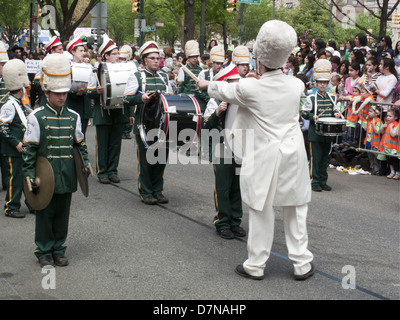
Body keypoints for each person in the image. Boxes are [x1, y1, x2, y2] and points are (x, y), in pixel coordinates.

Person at [198, 20, 314, 281]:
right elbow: (272, 86)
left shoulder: (250, 87)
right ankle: (302, 263)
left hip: (265, 157)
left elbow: (224, 90)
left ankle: (256, 265)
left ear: (259, 59)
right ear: (284, 58)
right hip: (294, 154)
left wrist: (207, 85)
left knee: (261, 211)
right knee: (296, 209)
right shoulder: (297, 85)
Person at [23, 53, 91, 267]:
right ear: (46, 91)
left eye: (64, 93)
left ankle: (59, 249)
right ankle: (43, 250)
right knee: (45, 215)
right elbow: (29, 152)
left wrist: (86, 163)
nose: (62, 97)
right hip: (45, 177)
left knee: (62, 215)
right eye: (57, 93)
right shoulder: (37, 117)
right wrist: (29, 177)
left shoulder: (74, 116)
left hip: (67, 174)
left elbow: (80, 144)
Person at [123, 41, 171, 205]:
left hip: (162, 126)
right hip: (144, 125)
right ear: (144, 60)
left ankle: (158, 190)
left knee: (161, 159)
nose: (156, 61)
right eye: (152, 58)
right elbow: (126, 98)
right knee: (146, 161)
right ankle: (146, 191)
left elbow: (169, 98)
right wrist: (140, 98)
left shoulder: (164, 77)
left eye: (158, 58)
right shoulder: (136, 76)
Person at [202, 64, 245, 239]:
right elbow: (206, 125)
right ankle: (222, 222)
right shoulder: (215, 101)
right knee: (223, 187)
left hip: (240, 147)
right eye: (233, 82)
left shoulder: (242, 100)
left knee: (237, 186)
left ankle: (235, 221)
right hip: (221, 148)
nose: (236, 86)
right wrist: (217, 113)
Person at [86, 34, 134, 184]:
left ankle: (113, 170)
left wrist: (130, 113)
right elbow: (89, 92)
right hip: (103, 112)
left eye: (117, 53)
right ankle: (102, 172)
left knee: (115, 144)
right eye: (114, 54)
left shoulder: (124, 69)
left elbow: (129, 92)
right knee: (103, 143)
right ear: (106, 56)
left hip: (119, 111)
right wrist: (97, 92)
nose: (117, 56)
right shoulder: (96, 71)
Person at [302, 59, 341, 192]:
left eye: (325, 82)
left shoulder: (332, 98)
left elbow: (334, 109)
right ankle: (314, 181)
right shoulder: (311, 98)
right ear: (316, 83)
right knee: (316, 159)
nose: (323, 85)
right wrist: (312, 116)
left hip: (327, 135)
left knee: (325, 159)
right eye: (320, 82)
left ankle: (323, 181)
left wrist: (336, 113)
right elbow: (304, 112)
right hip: (315, 133)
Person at [0, 59, 31, 218]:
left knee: (26, 177)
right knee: (15, 179)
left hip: (21, 148)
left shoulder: (18, 103)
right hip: (13, 150)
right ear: (20, 88)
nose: (26, 89)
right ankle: (11, 207)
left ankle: (31, 203)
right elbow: (3, 128)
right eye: (24, 87)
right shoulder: (9, 105)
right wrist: (16, 143)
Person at [65, 37, 91, 135]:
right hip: (72, 105)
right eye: (80, 50)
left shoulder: (88, 66)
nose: (83, 53)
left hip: (84, 108)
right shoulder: (67, 67)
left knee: (82, 137)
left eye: (83, 50)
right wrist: (76, 93)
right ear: (73, 51)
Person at [196, 45, 225, 113]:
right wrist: (209, 99)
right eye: (217, 63)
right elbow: (199, 91)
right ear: (212, 63)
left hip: (220, 105)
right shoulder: (203, 73)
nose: (219, 66)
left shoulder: (225, 75)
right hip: (205, 104)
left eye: (221, 64)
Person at [378, 108, 399, 179]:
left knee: (395, 161)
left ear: (395, 117)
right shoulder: (387, 124)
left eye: (390, 116)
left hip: (394, 147)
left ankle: (397, 173)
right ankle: (392, 172)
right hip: (387, 146)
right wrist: (383, 128)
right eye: (387, 116)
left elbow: (394, 135)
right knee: (389, 160)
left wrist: (390, 128)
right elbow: (382, 133)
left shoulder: (396, 125)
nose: (387, 117)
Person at [363, 105, 383, 175]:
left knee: (376, 156)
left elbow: (377, 131)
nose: (369, 113)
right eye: (369, 111)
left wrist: (374, 123)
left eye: (371, 111)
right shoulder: (369, 120)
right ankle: (372, 167)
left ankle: (377, 169)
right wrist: (366, 120)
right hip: (369, 141)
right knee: (370, 155)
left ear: (377, 114)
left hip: (375, 143)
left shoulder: (378, 121)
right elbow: (365, 129)